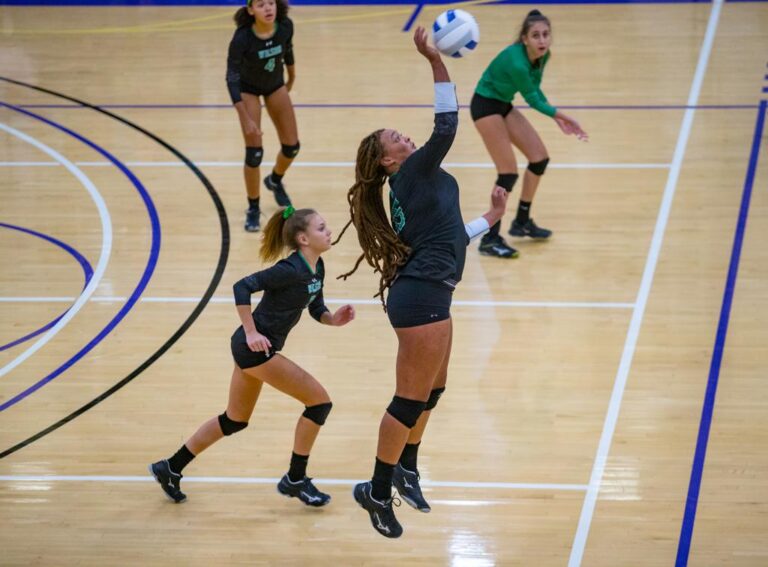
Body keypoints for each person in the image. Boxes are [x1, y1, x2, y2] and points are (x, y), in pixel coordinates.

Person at [334, 27, 508, 538]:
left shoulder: (416, 183)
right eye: (397, 140)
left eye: (401, 135)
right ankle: (377, 489)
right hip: (422, 299)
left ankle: (406, 467)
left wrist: (489, 218)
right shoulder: (409, 175)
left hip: (432, 292)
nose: (405, 138)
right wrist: (434, 59)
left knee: (433, 391)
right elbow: (447, 124)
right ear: (389, 161)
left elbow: (447, 238)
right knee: (408, 400)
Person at [149, 206, 355, 507]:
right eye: (322, 228)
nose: (329, 231)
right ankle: (295, 479)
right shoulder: (289, 270)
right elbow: (242, 286)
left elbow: (315, 305)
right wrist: (251, 331)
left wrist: (331, 319)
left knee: (235, 420)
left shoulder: (316, 267)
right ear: (303, 239)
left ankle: (170, 467)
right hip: (256, 350)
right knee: (319, 403)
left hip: (253, 350)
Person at [472, 9, 588, 258]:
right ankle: (490, 239)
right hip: (485, 106)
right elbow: (533, 99)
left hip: (502, 104)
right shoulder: (517, 62)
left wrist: (557, 118)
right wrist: (564, 117)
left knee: (539, 158)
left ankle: (521, 222)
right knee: (507, 173)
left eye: (546, 35)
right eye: (535, 35)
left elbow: (536, 90)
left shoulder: (542, 57)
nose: (542, 40)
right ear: (524, 39)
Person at [227, 0, 300, 232]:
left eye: (271, 3)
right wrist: (245, 118)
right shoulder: (242, 39)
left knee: (292, 147)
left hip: (274, 85)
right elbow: (232, 78)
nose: (268, 8)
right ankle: (254, 207)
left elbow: (287, 51)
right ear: (251, 10)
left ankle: (275, 180)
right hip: (248, 91)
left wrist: (291, 79)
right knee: (254, 153)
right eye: (261, 5)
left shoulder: (285, 26)